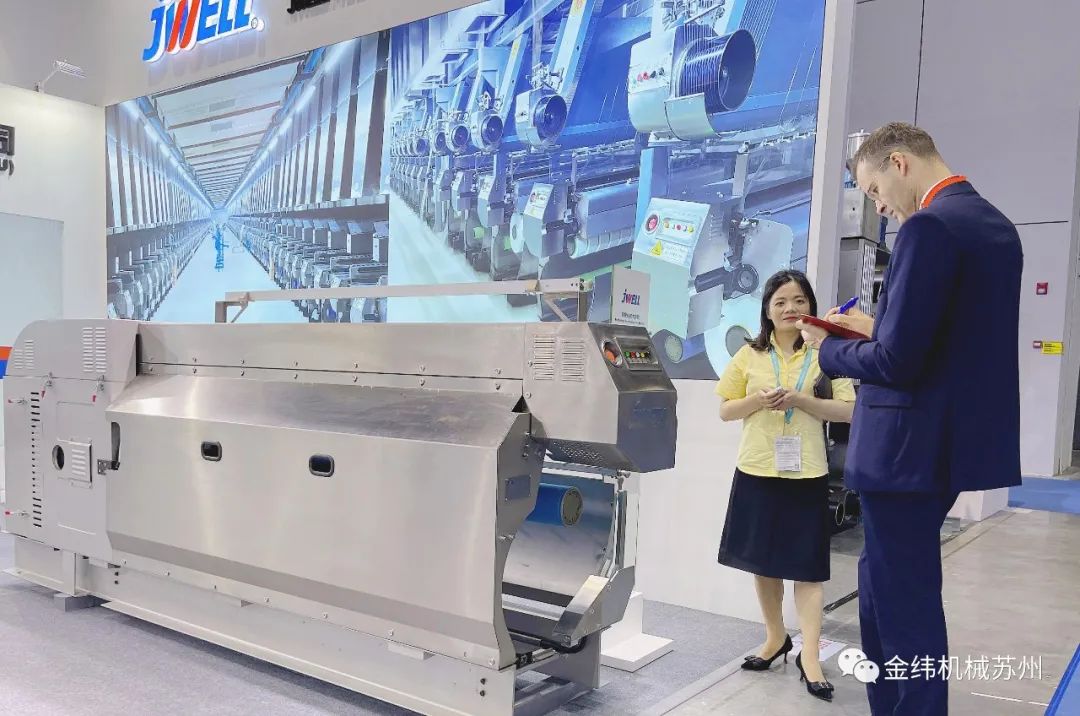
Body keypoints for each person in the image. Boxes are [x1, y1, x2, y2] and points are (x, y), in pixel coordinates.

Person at [798, 122, 1023, 716]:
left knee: (903, 608)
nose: (879, 207)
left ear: (898, 162)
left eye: (874, 191)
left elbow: (897, 362)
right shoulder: (994, 226)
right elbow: (948, 342)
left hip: (903, 449)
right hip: (946, 443)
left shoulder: (928, 226)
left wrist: (829, 348)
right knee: (885, 594)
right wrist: (874, 328)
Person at [715, 270, 855, 703]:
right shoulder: (749, 354)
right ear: (767, 310)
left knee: (807, 569)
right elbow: (725, 410)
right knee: (764, 563)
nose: (790, 308)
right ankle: (775, 638)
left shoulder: (828, 353)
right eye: (780, 302)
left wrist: (801, 401)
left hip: (806, 473)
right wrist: (757, 401)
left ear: (810, 305)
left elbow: (848, 411)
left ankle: (809, 655)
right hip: (757, 470)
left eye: (798, 300)